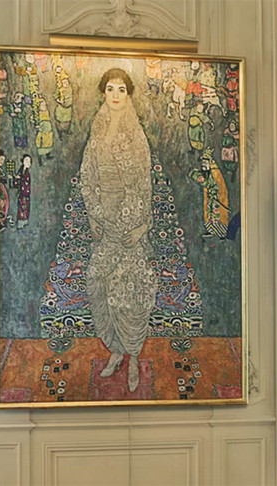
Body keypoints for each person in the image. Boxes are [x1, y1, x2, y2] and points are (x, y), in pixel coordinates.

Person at [79, 68, 157, 393]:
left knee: (129, 293)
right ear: (103, 93)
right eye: (110, 88)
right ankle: (114, 349)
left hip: (130, 223)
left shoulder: (135, 135)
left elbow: (144, 184)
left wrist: (141, 227)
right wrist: (93, 216)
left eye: (121, 89)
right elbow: (87, 173)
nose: (115, 95)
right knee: (96, 282)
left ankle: (134, 356)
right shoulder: (97, 131)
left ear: (128, 95)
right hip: (104, 220)